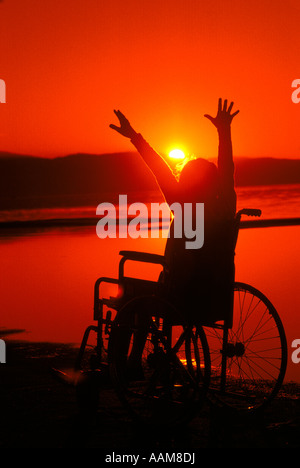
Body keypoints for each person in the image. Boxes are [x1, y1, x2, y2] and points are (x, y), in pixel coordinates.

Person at [110, 99, 239, 326]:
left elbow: (159, 169)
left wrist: (134, 136)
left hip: (180, 296)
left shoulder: (182, 206)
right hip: (214, 297)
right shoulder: (226, 207)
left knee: (132, 299)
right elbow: (228, 171)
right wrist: (224, 130)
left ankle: (126, 361)